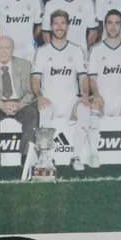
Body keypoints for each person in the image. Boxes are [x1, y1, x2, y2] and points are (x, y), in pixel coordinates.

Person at [32, 10, 92, 171]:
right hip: (50, 99)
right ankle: (46, 159)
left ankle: (76, 157)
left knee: (85, 109)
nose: (59, 27)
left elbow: (83, 77)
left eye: (63, 23)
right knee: (44, 108)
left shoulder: (76, 50)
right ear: (51, 26)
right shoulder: (42, 51)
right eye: (56, 23)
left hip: (71, 101)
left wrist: (84, 95)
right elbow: (35, 79)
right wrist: (39, 96)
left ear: (68, 26)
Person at [87, 8, 121, 167]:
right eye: (110, 23)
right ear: (105, 25)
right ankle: (94, 155)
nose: (113, 26)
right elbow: (92, 78)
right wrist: (96, 94)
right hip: (103, 101)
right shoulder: (96, 49)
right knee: (94, 104)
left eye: (117, 23)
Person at [0, 35, 38, 166]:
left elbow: (30, 92)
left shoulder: (25, 65)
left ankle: (26, 158)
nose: (4, 51)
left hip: (19, 103)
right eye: (0, 48)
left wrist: (20, 104)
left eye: (7, 48)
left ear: (13, 49)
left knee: (32, 112)